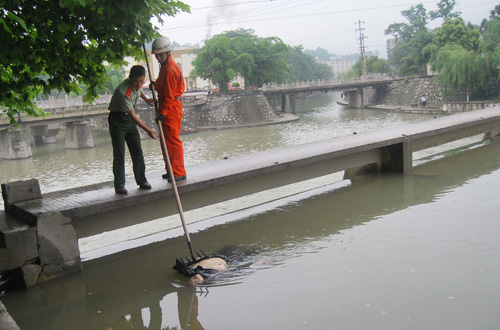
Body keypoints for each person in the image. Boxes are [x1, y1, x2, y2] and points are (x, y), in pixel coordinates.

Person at [108, 65, 157, 194]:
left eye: (142, 81)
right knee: (119, 153)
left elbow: (138, 91)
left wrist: (146, 100)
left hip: (129, 121)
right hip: (118, 120)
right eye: (137, 81)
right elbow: (133, 115)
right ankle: (119, 185)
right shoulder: (123, 91)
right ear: (130, 78)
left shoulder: (137, 86)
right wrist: (148, 130)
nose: (139, 84)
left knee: (137, 151)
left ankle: (142, 180)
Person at [151, 36, 187, 182]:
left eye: (160, 55)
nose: (158, 58)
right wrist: (155, 85)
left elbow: (170, 95)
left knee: (173, 140)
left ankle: (178, 172)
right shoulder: (164, 67)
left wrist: (163, 113)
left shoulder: (171, 69)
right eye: (157, 56)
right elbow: (162, 85)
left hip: (171, 107)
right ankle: (170, 170)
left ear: (168, 53)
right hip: (165, 105)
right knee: (165, 141)